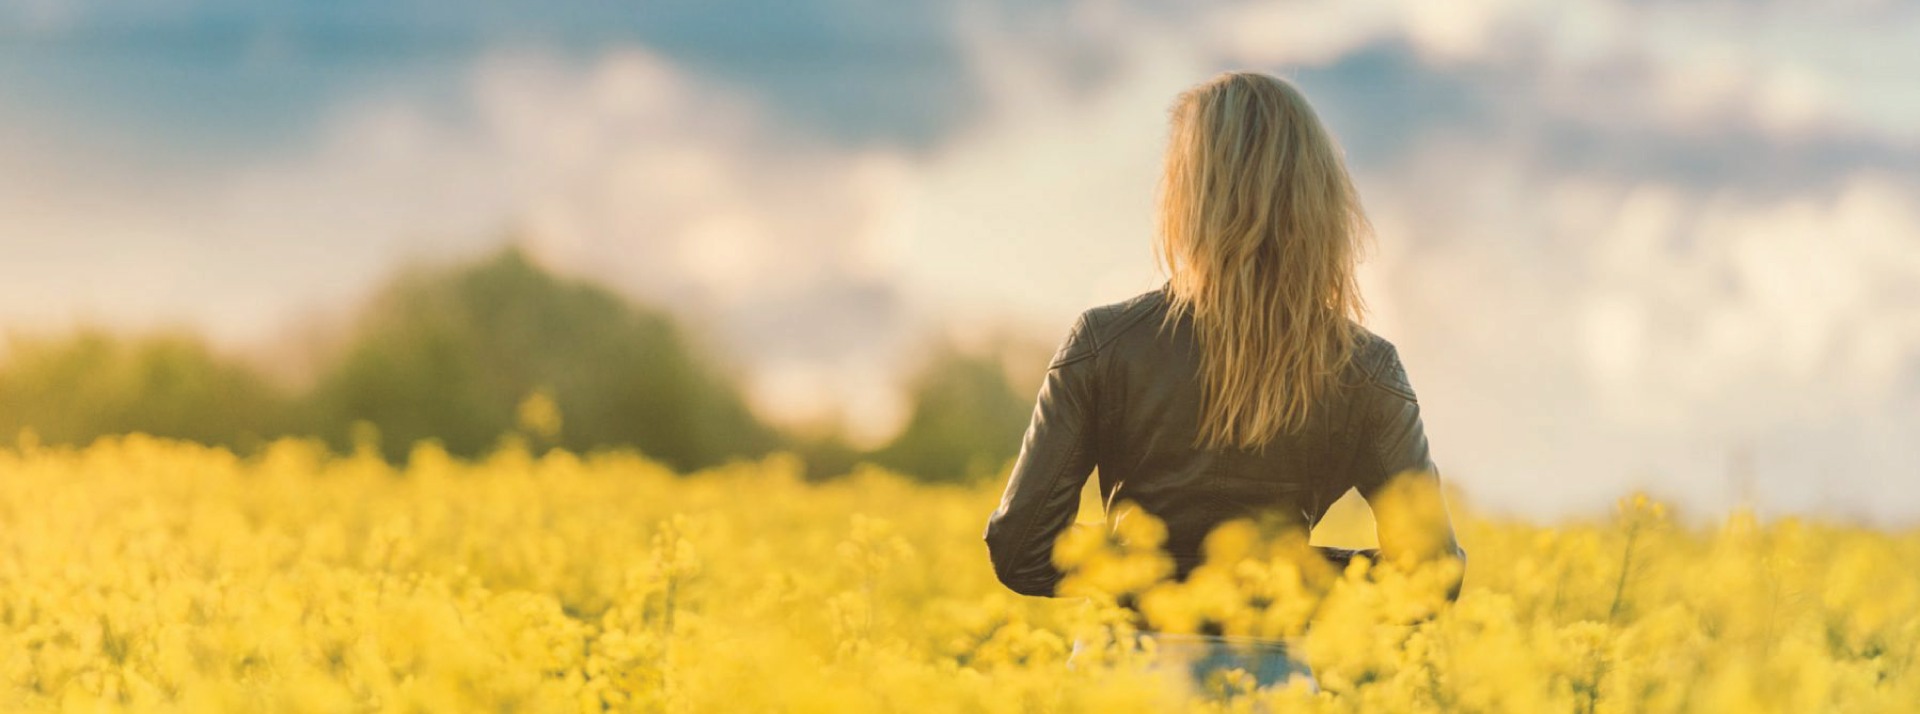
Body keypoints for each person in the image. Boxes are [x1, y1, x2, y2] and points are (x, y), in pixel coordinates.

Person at [981, 70, 1467, 696]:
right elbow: (1431, 576)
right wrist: (1276, 572)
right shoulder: (1365, 368)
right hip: (1272, 684)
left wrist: (1163, 565)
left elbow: (1021, 548)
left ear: (1188, 195)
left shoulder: (1105, 342)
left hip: (1119, 677)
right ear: (1318, 197)